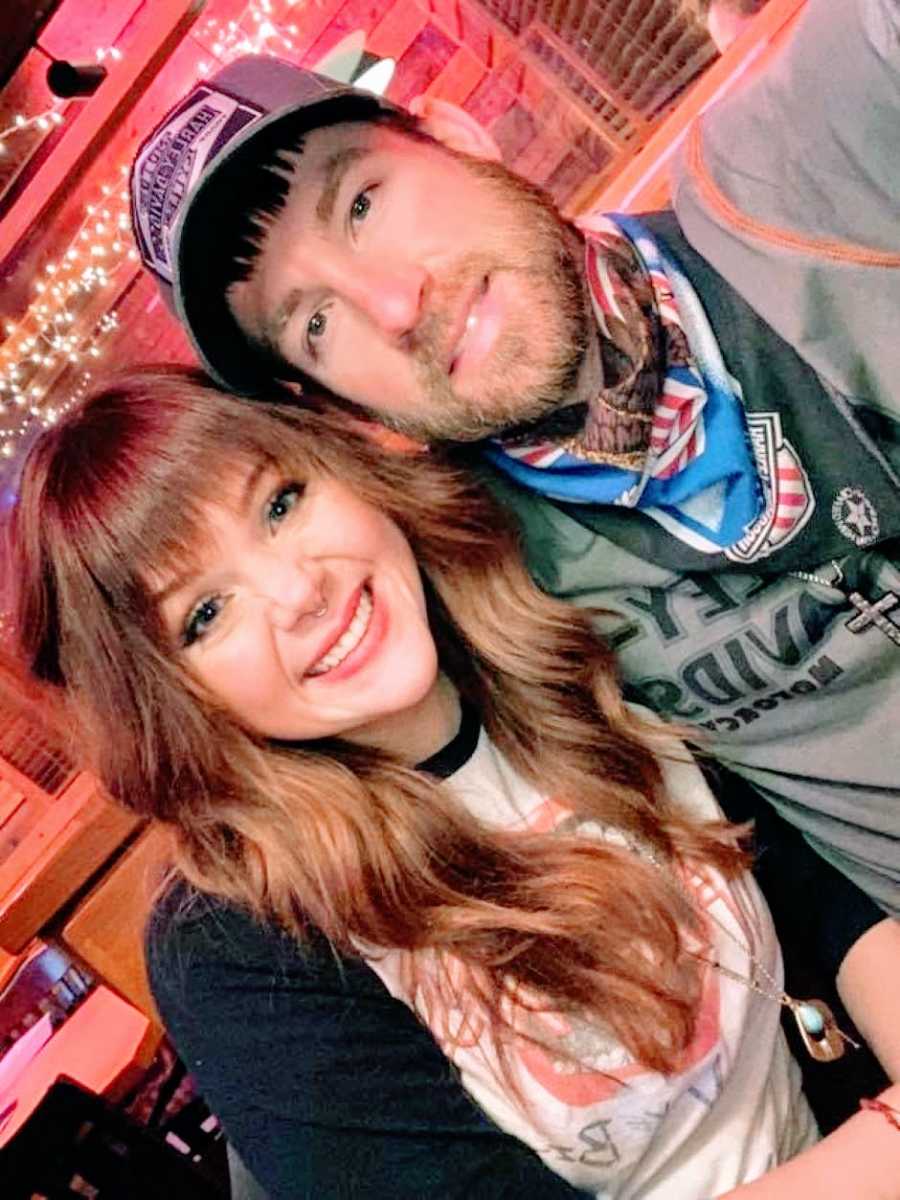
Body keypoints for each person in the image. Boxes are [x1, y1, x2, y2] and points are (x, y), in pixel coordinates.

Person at [7, 367, 900, 1199]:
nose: (299, 591)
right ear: (171, 702)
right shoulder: (241, 946)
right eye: (206, 613)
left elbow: (817, 898)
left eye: (281, 503)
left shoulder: (547, 629)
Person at [129, 0, 900, 921]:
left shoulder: (806, 162)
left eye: (362, 203)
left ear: (458, 134)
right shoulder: (484, 588)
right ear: (335, 409)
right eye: (316, 323)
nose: (395, 303)